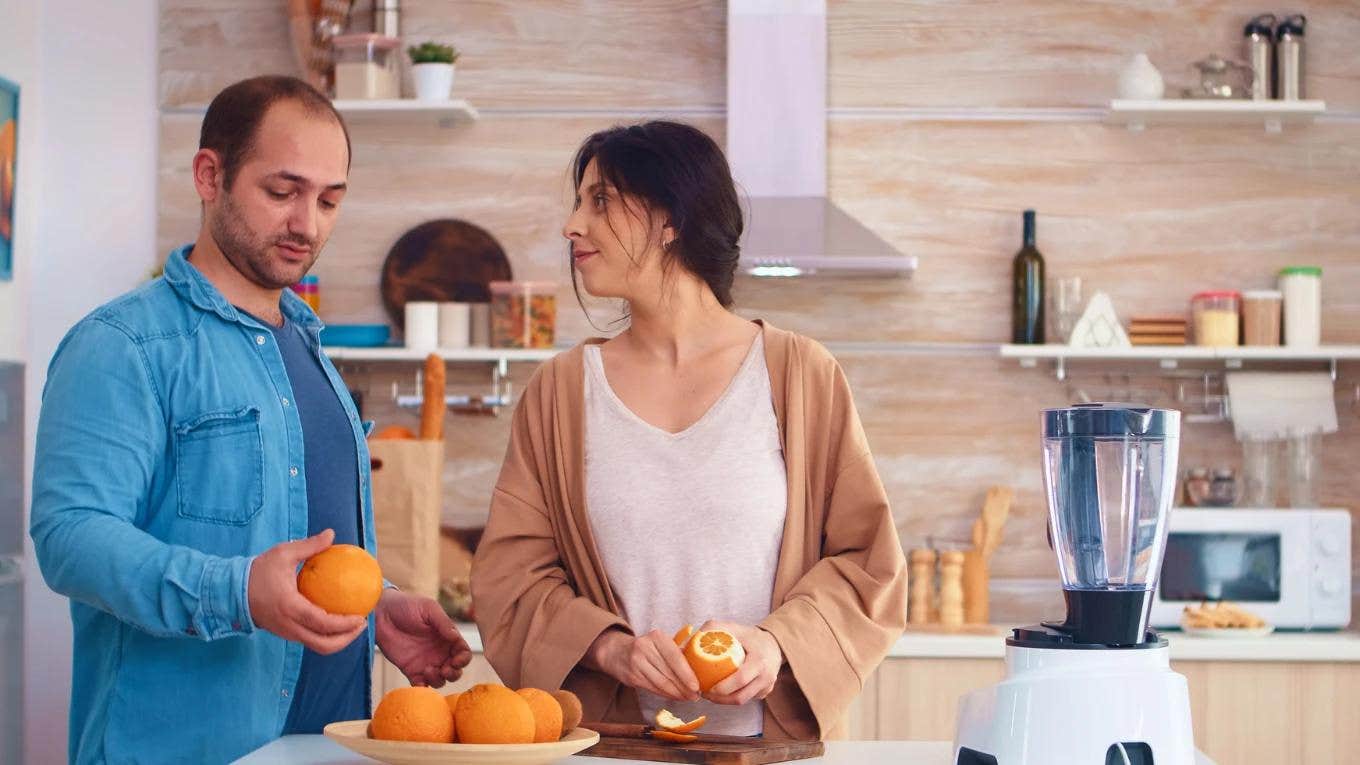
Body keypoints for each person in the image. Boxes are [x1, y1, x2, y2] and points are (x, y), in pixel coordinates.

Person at [30, 75, 471, 764]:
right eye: (282, 190)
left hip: (330, 746)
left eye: (330, 199)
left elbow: (292, 544)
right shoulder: (123, 345)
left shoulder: (307, 346)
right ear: (211, 175)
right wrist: (234, 591)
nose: (309, 223)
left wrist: (373, 605)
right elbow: (69, 537)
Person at [471, 121, 907, 740]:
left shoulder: (800, 374)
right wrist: (608, 648)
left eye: (599, 201)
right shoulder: (560, 393)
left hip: (769, 753)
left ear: (671, 218)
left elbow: (868, 564)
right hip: (611, 751)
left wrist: (776, 642)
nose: (573, 226)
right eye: (579, 203)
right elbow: (508, 579)